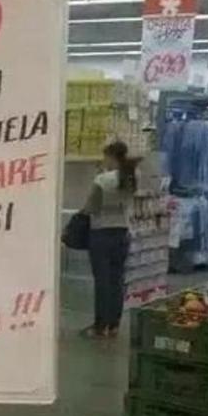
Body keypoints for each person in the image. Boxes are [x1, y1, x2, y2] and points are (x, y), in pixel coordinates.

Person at [82, 140, 137, 339]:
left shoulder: (102, 180)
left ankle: (99, 326)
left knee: (102, 282)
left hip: (101, 234)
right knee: (117, 280)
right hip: (122, 234)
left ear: (111, 157)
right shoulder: (132, 177)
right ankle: (114, 325)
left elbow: (91, 208)